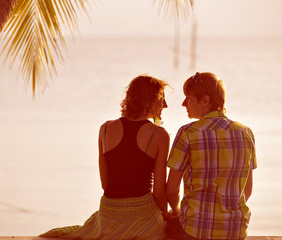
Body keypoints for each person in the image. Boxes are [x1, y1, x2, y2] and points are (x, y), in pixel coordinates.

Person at [39, 74, 171, 240]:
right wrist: (165, 216)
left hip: (108, 216)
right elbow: (159, 193)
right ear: (149, 100)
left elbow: (105, 183)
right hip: (142, 216)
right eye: (162, 99)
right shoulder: (160, 135)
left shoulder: (105, 129)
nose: (165, 105)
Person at [165, 72, 257, 240]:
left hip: (195, 231)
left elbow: (171, 190)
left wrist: (176, 211)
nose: (184, 103)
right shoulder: (245, 133)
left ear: (206, 101)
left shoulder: (188, 133)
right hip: (235, 231)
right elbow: (247, 190)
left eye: (189, 98)